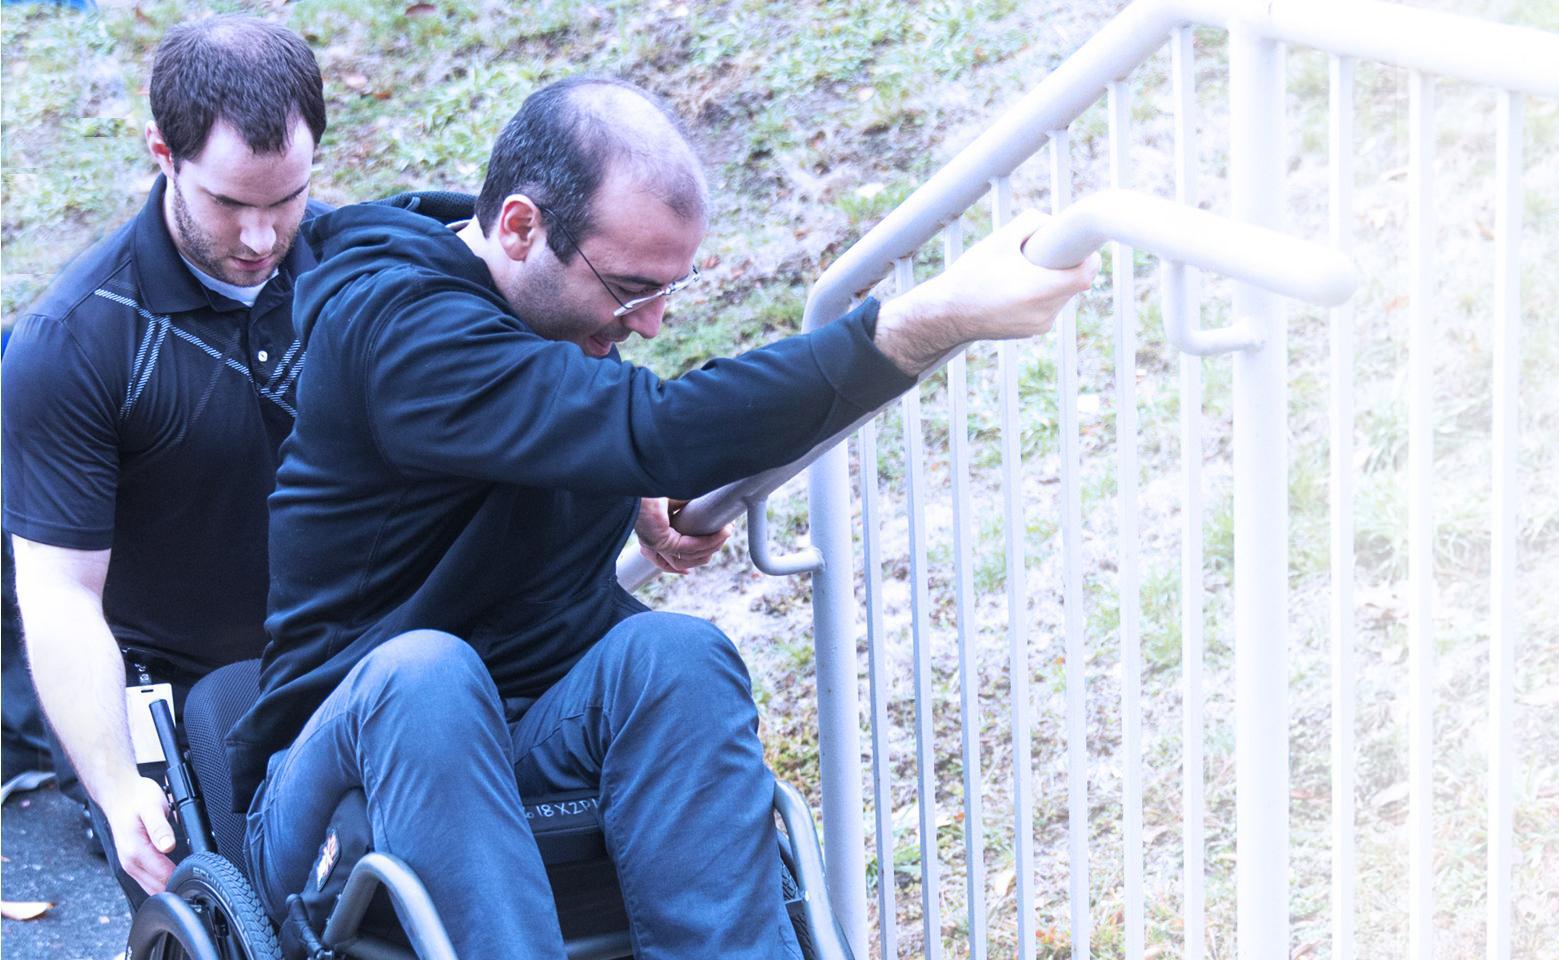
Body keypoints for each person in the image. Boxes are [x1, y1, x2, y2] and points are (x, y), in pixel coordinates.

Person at [227, 75, 1088, 956]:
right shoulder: (397, 326)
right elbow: (648, 423)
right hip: (336, 771)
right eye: (632, 287)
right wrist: (921, 323)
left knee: (677, 652)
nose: (653, 322)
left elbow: (592, 424)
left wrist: (611, 482)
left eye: (671, 287)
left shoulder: (543, 321)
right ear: (520, 227)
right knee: (426, 674)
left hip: (529, 732)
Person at [4, 14, 338, 902]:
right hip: (182, 699)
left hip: (350, 656)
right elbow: (60, 592)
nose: (264, 238)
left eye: (288, 197)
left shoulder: (357, 273)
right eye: (230, 202)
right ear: (162, 151)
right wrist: (118, 792)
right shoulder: (71, 343)